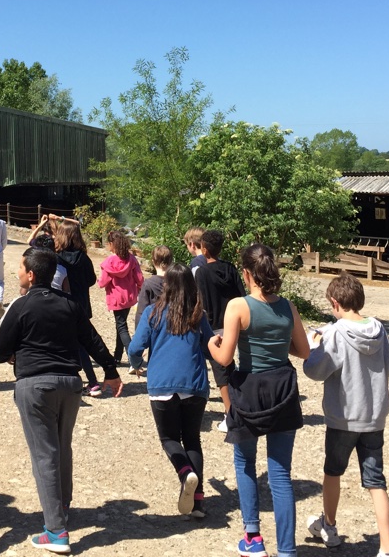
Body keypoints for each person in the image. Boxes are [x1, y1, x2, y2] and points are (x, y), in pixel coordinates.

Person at [0, 247, 123, 554]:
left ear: (32, 275)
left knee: (44, 456)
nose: (18, 273)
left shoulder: (22, 307)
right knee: (62, 446)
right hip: (70, 384)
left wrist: (16, 352)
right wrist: (111, 370)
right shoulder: (70, 304)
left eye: (21, 269)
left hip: (35, 386)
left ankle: (56, 530)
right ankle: (62, 504)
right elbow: (91, 339)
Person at [209, 244, 310, 557]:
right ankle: (288, 550)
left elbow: (225, 357)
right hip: (282, 386)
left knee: (245, 462)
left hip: (251, 388)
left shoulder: (238, 306)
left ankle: (253, 537)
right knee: (280, 472)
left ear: (246, 273)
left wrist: (212, 343)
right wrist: (280, 344)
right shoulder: (288, 307)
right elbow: (304, 351)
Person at [303, 273, 389, 557]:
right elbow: (387, 367)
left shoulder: (334, 332)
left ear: (335, 302)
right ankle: (387, 548)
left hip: (343, 417)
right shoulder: (380, 330)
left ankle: (329, 526)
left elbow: (315, 371)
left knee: (333, 471)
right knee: (375, 481)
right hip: (374, 416)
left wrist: (313, 346)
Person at [128, 263, 214, 519]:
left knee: (169, 439)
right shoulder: (199, 314)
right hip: (195, 384)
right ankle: (197, 503)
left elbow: (135, 348)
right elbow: (210, 348)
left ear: (166, 285)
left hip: (162, 384)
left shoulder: (154, 313)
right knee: (192, 439)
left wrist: (137, 366)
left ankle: (185, 471)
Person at [195, 229, 246, 431]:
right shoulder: (231, 269)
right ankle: (237, 406)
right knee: (231, 367)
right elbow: (242, 295)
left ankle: (230, 414)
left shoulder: (201, 273)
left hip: (214, 327)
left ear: (204, 249)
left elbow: (200, 302)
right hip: (235, 324)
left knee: (220, 371)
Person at [54, 221, 101, 397]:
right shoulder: (83, 257)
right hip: (81, 304)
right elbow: (91, 280)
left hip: (62, 304)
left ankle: (65, 380)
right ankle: (92, 381)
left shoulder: (57, 257)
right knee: (82, 343)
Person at [98, 230, 145, 374]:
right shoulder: (131, 259)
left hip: (116, 298)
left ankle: (133, 360)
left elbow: (103, 282)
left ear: (112, 244)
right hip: (129, 297)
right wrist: (137, 289)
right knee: (121, 324)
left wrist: (100, 281)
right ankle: (117, 357)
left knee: (121, 326)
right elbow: (140, 279)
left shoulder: (108, 262)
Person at [136, 245, 173, 328]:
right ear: (171, 261)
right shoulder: (176, 282)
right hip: (173, 326)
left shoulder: (148, 284)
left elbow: (141, 312)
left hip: (154, 326)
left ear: (153, 261)